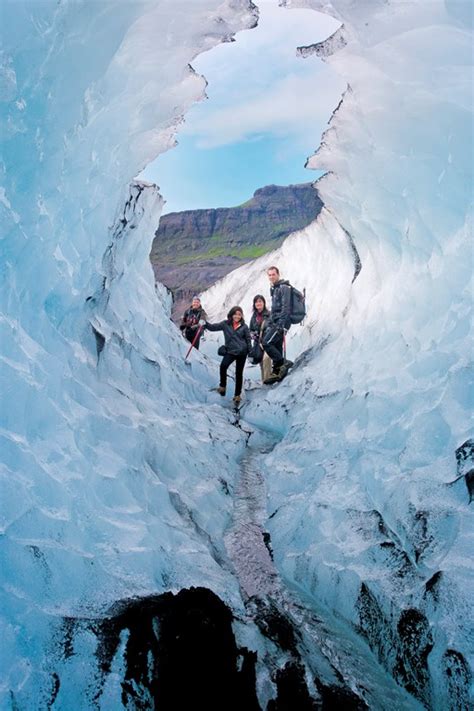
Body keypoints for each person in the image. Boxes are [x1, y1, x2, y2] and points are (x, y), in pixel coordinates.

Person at [204, 306, 251, 404]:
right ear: (231, 314)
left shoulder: (244, 326)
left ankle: (237, 395)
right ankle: (222, 387)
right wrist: (205, 324)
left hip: (242, 352)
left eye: (239, 314)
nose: (237, 316)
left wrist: (249, 351)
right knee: (223, 366)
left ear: (241, 316)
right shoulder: (225, 324)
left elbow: (248, 339)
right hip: (230, 351)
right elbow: (213, 327)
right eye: (235, 314)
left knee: (239, 373)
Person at [262, 266, 292, 384]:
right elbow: (275, 309)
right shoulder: (274, 288)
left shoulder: (284, 287)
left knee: (266, 343)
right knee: (276, 344)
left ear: (278, 274)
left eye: (273, 274)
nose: (271, 277)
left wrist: (280, 324)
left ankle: (282, 362)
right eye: (269, 275)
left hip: (281, 322)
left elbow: (286, 308)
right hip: (276, 321)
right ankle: (277, 371)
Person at [249, 294, 272, 383]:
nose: (258, 303)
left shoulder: (269, 315)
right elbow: (250, 329)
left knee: (266, 359)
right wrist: (253, 335)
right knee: (261, 363)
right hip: (258, 343)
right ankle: (264, 381)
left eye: (260, 301)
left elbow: (272, 327)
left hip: (267, 342)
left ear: (263, 303)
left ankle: (267, 380)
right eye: (256, 302)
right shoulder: (254, 317)